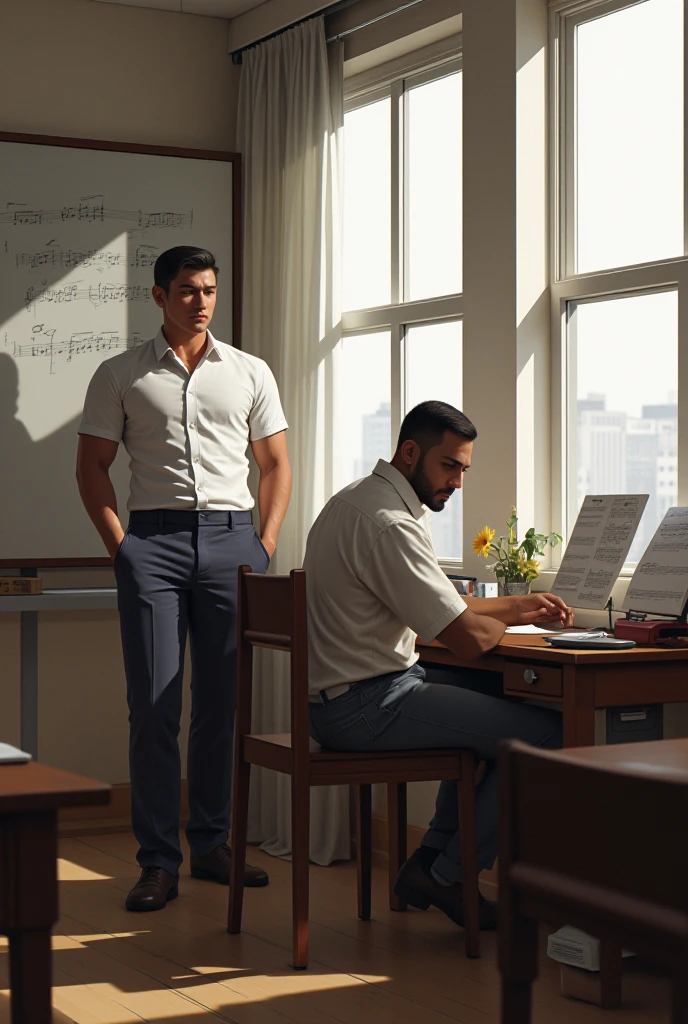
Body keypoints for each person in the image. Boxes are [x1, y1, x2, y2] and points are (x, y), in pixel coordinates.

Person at [76, 246, 291, 911]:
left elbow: (275, 465)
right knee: (156, 708)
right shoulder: (120, 374)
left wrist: (264, 544)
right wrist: (124, 551)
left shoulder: (250, 372)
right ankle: (157, 862)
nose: (201, 302)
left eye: (209, 290)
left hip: (234, 543)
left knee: (222, 706)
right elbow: (91, 469)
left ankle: (213, 844)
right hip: (154, 543)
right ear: (158, 296)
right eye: (187, 291)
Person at [303, 401, 570, 930]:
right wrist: (505, 624)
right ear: (410, 453)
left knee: (496, 701)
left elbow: (442, 602)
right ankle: (447, 875)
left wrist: (515, 607)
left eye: (463, 469)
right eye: (450, 466)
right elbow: (468, 639)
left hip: (348, 695)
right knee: (550, 737)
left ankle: (431, 864)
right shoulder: (390, 525)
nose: (459, 482)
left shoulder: (355, 501)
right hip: (365, 706)